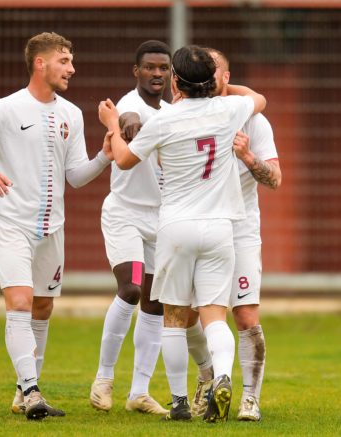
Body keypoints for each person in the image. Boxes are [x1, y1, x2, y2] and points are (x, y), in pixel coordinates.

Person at [0, 32, 113, 420]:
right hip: (11, 222)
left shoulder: (72, 114)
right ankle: (33, 391)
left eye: (71, 61)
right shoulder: (7, 109)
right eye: (64, 61)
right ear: (40, 63)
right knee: (20, 302)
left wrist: (105, 157)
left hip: (53, 228)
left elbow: (76, 176)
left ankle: (23, 390)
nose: (72, 68)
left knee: (42, 306)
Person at [98, 45, 266, 423]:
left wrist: (111, 124)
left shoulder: (165, 119)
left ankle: (179, 403)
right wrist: (222, 86)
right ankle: (222, 377)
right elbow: (259, 98)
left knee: (174, 317)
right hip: (220, 227)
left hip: (176, 227)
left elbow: (123, 160)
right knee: (214, 315)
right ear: (212, 80)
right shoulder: (229, 109)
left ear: (176, 81)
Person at [185, 48, 282, 422]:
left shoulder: (254, 121)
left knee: (245, 314)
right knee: (188, 315)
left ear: (226, 77)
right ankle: (207, 376)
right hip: (198, 227)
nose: (207, 78)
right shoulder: (188, 115)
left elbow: (275, 179)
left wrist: (249, 158)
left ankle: (250, 399)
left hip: (240, 230)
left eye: (214, 71)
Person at [89, 40, 171, 416]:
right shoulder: (128, 105)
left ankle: (139, 391)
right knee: (132, 288)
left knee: (155, 303)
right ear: (136, 71)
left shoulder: (171, 113)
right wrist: (125, 123)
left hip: (161, 218)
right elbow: (128, 120)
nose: (157, 73)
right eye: (149, 67)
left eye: (163, 68)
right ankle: (103, 379)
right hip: (124, 213)